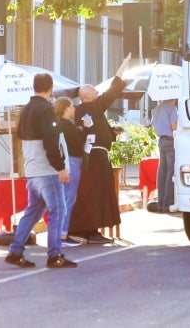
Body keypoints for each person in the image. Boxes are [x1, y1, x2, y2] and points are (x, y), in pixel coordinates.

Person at [4, 73, 76, 269]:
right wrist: (61, 167)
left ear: (34, 87)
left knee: (33, 211)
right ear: (51, 88)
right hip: (47, 170)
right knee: (58, 210)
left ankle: (16, 250)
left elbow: (19, 133)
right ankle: (55, 255)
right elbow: (50, 141)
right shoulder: (46, 109)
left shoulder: (26, 109)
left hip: (32, 168)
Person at [69, 53, 131, 244]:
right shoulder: (93, 107)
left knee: (92, 192)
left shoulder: (80, 111)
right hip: (95, 157)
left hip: (89, 156)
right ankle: (90, 229)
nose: (98, 93)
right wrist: (122, 68)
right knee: (96, 192)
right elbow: (113, 91)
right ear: (88, 96)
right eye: (95, 91)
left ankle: (89, 228)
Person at [54, 96, 85, 247]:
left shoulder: (58, 125)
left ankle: (60, 233)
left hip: (64, 162)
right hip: (72, 161)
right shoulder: (67, 125)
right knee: (69, 198)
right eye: (72, 106)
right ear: (66, 108)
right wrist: (82, 129)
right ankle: (63, 235)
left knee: (64, 198)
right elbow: (77, 144)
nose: (74, 109)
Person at [151, 99, 178, 213]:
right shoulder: (172, 108)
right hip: (170, 140)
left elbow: (153, 125)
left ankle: (160, 202)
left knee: (161, 171)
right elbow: (174, 127)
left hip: (161, 141)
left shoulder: (156, 109)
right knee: (170, 172)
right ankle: (167, 203)